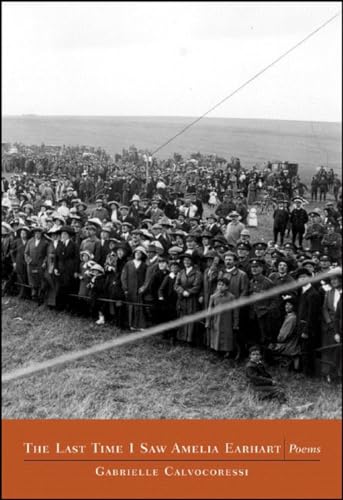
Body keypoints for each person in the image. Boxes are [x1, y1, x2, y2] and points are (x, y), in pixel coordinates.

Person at [206, 277, 239, 357]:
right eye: (219, 284)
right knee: (216, 335)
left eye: (223, 285)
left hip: (227, 321)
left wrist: (235, 323)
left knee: (227, 336)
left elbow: (235, 311)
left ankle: (227, 351)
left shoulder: (231, 297)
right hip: (216, 320)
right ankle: (216, 350)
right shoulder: (213, 297)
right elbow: (210, 310)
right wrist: (208, 322)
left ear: (227, 287)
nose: (220, 286)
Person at [174, 254, 203, 345]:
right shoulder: (181, 272)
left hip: (192, 299)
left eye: (188, 260)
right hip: (182, 298)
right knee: (182, 315)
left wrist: (189, 292)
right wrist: (182, 291)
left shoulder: (197, 273)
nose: (186, 262)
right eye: (184, 260)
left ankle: (190, 339)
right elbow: (176, 285)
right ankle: (182, 337)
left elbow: (197, 286)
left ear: (192, 261)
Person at [121, 246, 148, 331]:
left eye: (140, 253)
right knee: (130, 307)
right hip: (130, 289)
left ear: (142, 255)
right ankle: (130, 324)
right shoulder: (128, 264)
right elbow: (123, 277)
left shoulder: (144, 265)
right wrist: (125, 288)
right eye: (136, 253)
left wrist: (143, 287)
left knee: (139, 307)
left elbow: (146, 278)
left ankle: (139, 325)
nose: (138, 254)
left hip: (139, 289)